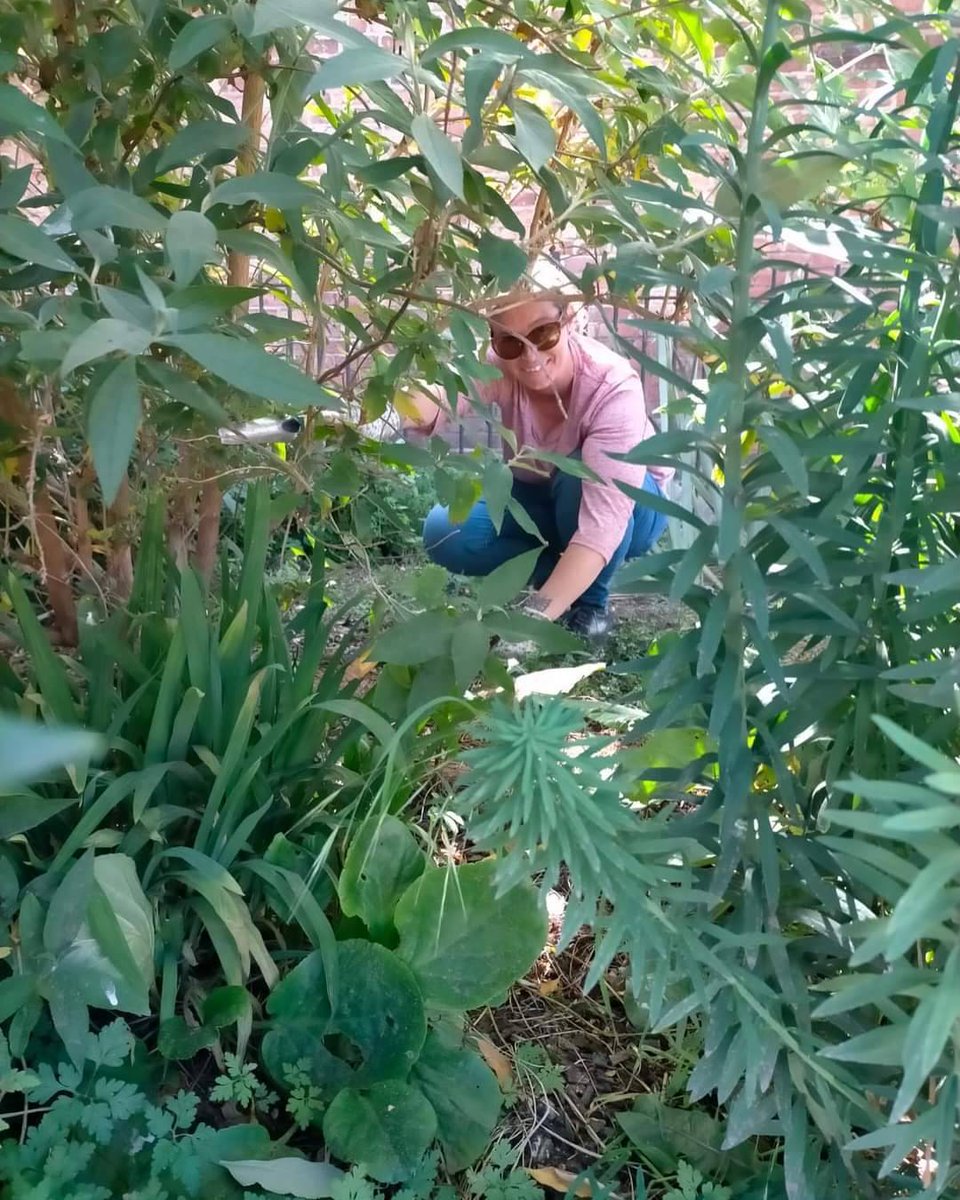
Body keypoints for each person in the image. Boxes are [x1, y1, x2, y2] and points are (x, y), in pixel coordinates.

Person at [401, 266, 674, 643]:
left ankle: (590, 606)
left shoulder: (612, 387)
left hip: (631, 509)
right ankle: (557, 581)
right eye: (510, 342)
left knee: (579, 475)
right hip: (541, 494)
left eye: (543, 334)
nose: (528, 356)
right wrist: (398, 359)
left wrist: (525, 627)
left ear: (570, 321)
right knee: (444, 532)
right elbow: (432, 406)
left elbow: (602, 525)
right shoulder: (496, 367)